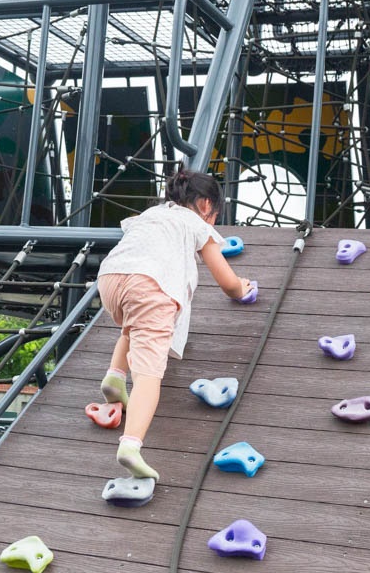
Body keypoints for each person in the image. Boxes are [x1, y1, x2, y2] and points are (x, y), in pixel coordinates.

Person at [95, 168, 253, 481]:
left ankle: (114, 379)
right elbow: (226, 280)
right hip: (151, 286)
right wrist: (241, 288)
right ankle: (131, 445)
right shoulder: (196, 223)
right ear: (206, 206)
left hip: (110, 278)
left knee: (135, 326)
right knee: (149, 375)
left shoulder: (152, 214)